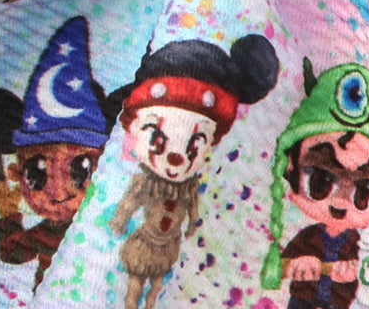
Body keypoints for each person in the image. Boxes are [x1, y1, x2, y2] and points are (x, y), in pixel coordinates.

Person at [111, 35, 279, 309]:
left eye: (195, 145)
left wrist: (193, 224)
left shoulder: (187, 186)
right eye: (158, 138)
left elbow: (192, 206)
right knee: (135, 280)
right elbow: (131, 200)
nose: (177, 157)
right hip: (146, 240)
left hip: (169, 244)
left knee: (158, 283)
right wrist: (120, 220)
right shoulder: (145, 181)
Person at [0, 18, 119, 291]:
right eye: (37, 175)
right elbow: (12, 252)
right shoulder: (46, 233)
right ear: (17, 173)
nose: (58, 191)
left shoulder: (107, 221)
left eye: (80, 170)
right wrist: (8, 213)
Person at [261, 59, 369, 309]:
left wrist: (355, 270)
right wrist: (296, 265)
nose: (341, 202)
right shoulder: (309, 237)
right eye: (321, 182)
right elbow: (277, 269)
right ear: (291, 169)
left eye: (362, 191)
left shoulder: (359, 243)